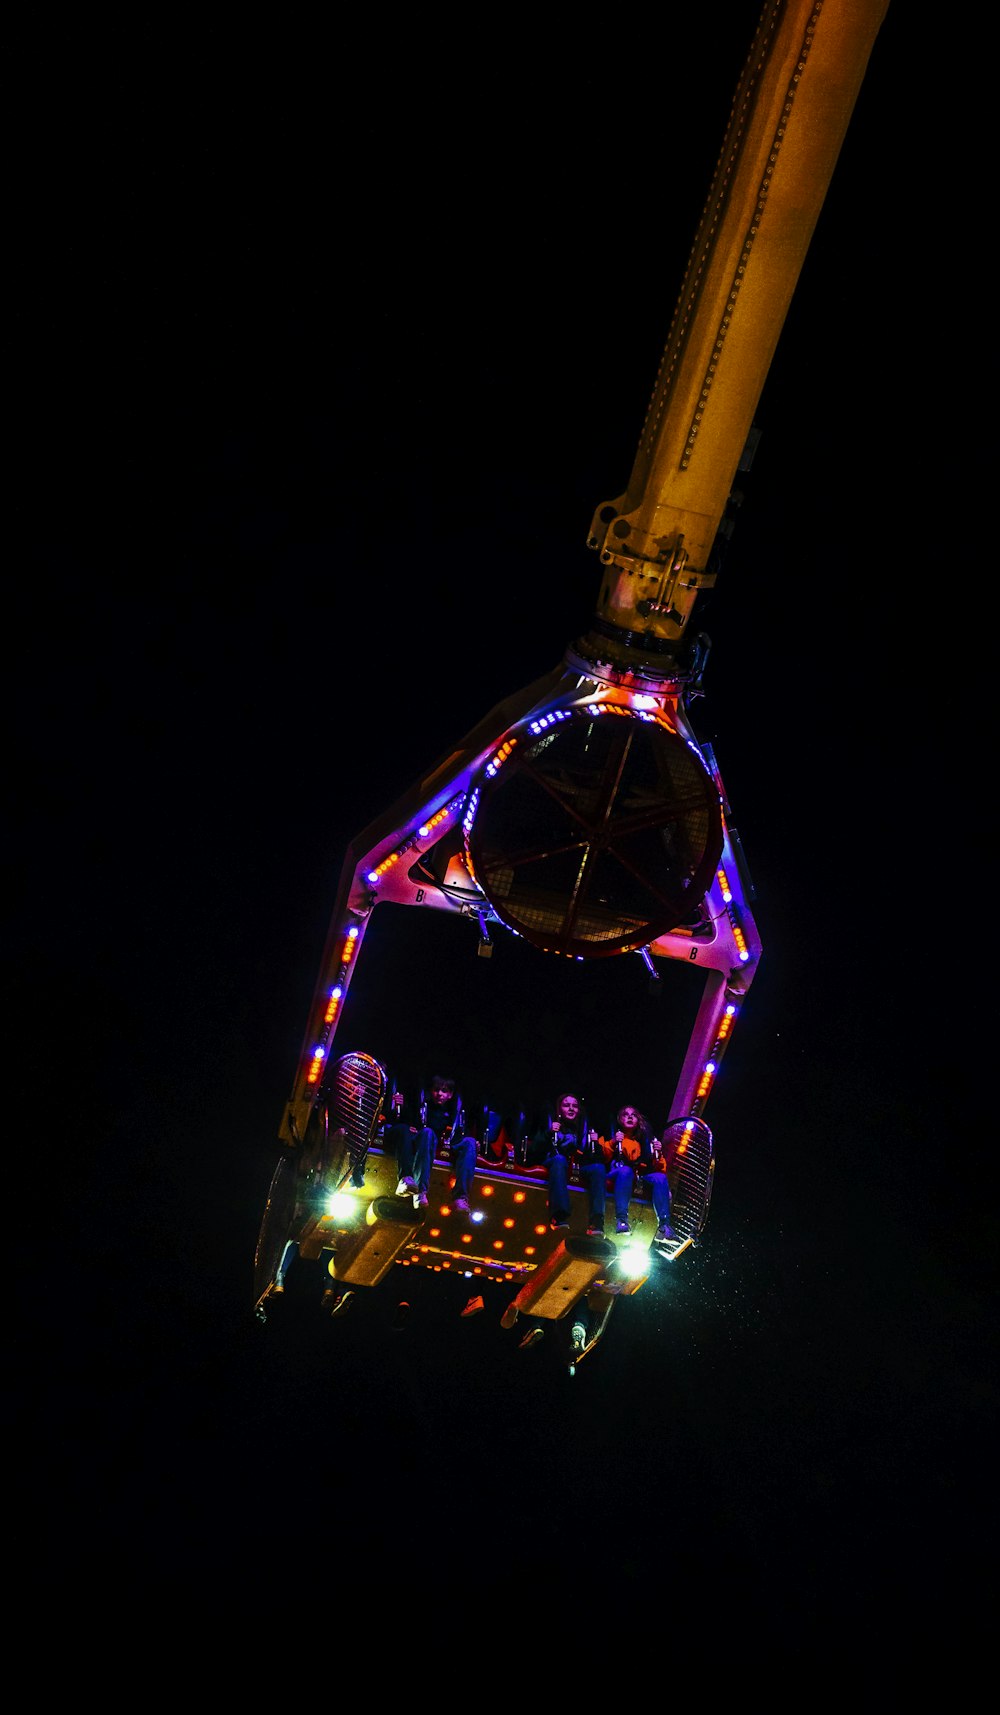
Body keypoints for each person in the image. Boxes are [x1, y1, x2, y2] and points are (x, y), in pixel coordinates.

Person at [385, 1074, 478, 1211]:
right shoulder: (420, 1105)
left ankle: (460, 1198)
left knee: (470, 1142)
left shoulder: (454, 1111)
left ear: (450, 1095)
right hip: (424, 1139)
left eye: (444, 1091)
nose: (439, 1094)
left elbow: (459, 1133)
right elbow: (406, 1124)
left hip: (447, 1143)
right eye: (436, 1089)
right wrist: (399, 1106)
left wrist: (474, 1142)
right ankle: (420, 1192)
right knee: (428, 1133)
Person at [529, 1093, 606, 1234]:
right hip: (554, 1161)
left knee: (598, 1169)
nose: (571, 1108)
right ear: (559, 1108)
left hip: (577, 1167)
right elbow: (534, 1149)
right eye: (566, 1105)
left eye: (575, 1106)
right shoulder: (551, 1124)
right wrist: (548, 1133)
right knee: (559, 1160)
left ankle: (596, 1221)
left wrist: (595, 1144)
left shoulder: (584, 1130)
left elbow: (597, 1158)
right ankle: (559, 1216)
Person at [608, 1103, 675, 1241]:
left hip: (638, 1176)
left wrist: (657, 1152)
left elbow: (659, 1168)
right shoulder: (613, 1136)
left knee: (660, 1178)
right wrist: (614, 1142)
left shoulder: (645, 1141)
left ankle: (664, 1226)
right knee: (625, 1171)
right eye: (626, 1115)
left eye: (633, 1115)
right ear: (620, 1119)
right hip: (617, 1174)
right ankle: (621, 1219)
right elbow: (602, 1156)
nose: (630, 1117)